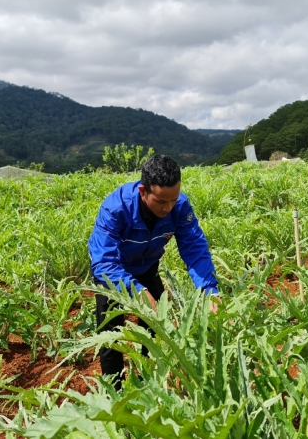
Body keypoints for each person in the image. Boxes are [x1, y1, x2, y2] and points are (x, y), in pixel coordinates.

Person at [87, 154, 219, 390]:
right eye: (160, 202)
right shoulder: (116, 208)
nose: (168, 208)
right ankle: (115, 396)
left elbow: (195, 248)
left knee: (157, 323)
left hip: (146, 268)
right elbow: (103, 261)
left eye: (173, 200)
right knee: (111, 335)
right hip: (112, 274)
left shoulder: (179, 207)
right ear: (143, 191)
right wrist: (136, 290)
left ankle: (150, 382)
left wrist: (209, 289)